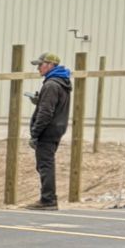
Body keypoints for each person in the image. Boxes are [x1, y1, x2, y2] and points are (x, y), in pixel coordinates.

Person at [28, 54, 72, 208]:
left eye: (40, 65)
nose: (38, 68)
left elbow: (46, 113)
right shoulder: (61, 82)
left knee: (45, 165)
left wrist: (35, 133)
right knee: (45, 164)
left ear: (50, 65)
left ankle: (48, 200)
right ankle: (48, 199)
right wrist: (39, 101)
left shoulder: (51, 85)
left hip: (48, 130)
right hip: (56, 128)